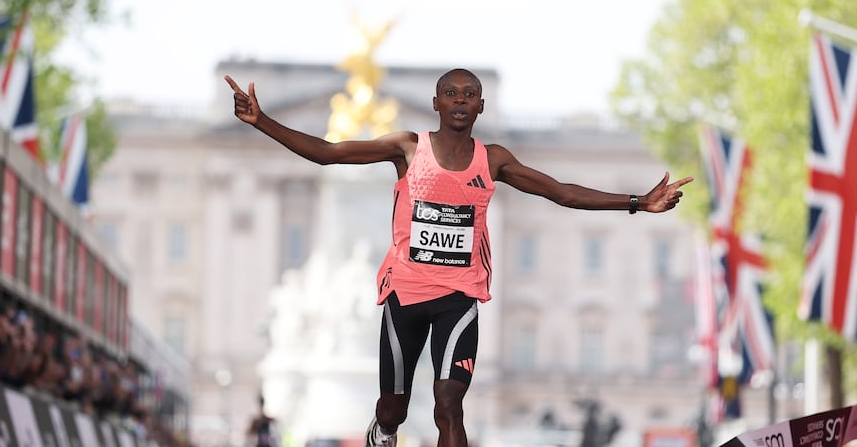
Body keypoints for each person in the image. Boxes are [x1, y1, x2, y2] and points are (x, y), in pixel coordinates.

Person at [224, 69, 692, 447]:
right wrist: (261, 121)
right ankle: (382, 433)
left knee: (449, 406)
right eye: (451, 93)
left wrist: (638, 202)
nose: (461, 100)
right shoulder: (408, 148)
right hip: (404, 296)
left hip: (458, 299)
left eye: (471, 94)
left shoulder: (492, 160)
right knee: (395, 408)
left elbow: (561, 193)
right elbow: (327, 153)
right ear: (436, 104)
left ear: (481, 106)